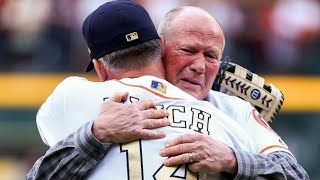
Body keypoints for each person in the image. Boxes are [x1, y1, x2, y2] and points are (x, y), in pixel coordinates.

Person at [26, 1, 309, 180]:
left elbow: (296, 174)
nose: (199, 66)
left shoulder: (232, 108)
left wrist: (232, 160)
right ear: (160, 49)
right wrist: (96, 134)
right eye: (187, 50)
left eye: (211, 56)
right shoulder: (224, 119)